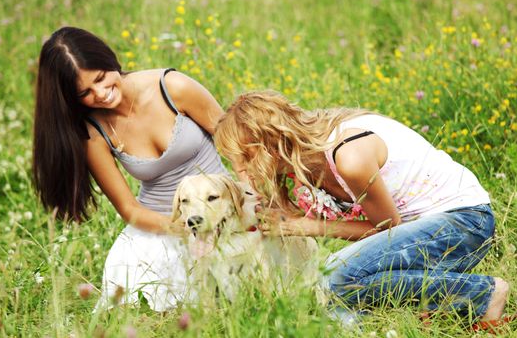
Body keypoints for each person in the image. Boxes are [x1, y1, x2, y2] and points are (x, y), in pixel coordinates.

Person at [213, 90, 511, 329]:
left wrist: (310, 226)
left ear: (270, 143)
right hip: (423, 237)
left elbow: (388, 228)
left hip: (464, 224)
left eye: (244, 157)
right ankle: (387, 321)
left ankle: (483, 294)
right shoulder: (299, 163)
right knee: (332, 297)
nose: (239, 169)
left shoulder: (348, 156)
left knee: (333, 277)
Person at [33, 26, 228, 311]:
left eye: (100, 78)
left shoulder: (172, 87)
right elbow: (131, 210)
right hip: (162, 228)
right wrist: (187, 230)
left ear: (109, 59)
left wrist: (249, 198)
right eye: (85, 92)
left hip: (220, 211)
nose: (100, 93)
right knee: (148, 301)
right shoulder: (94, 132)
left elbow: (234, 144)